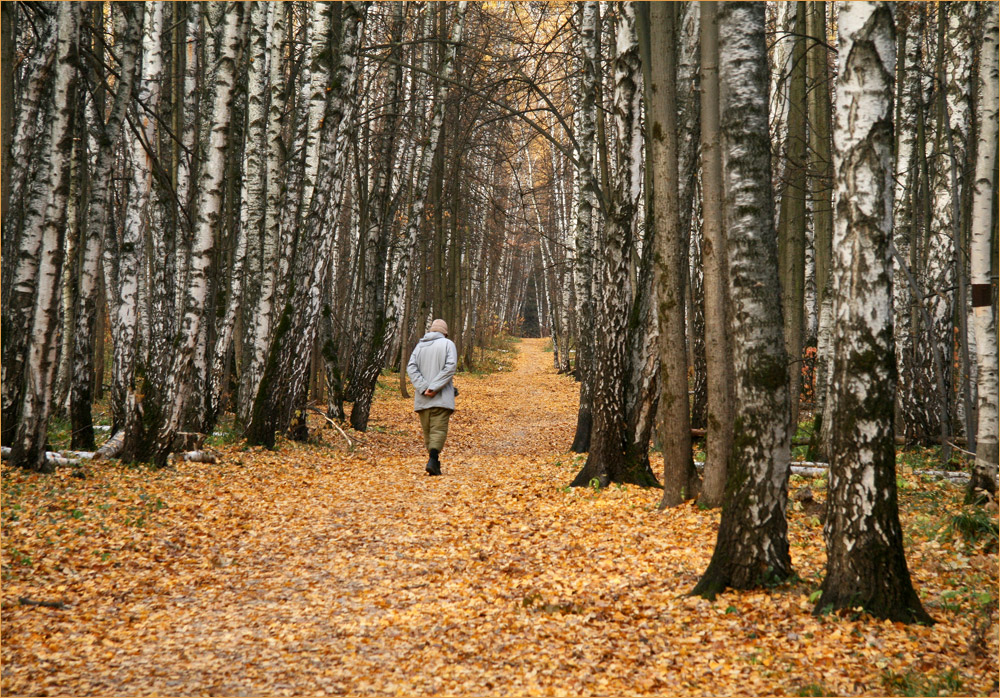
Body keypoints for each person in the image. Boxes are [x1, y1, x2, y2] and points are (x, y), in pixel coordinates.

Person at [406, 319, 457, 476]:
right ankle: (433, 460)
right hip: (441, 398)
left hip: (423, 399)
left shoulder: (419, 346)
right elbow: (450, 367)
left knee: (428, 431)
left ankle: (433, 462)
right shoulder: (448, 344)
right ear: (444, 332)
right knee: (438, 430)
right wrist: (434, 387)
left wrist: (423, 388)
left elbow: (411, 368)